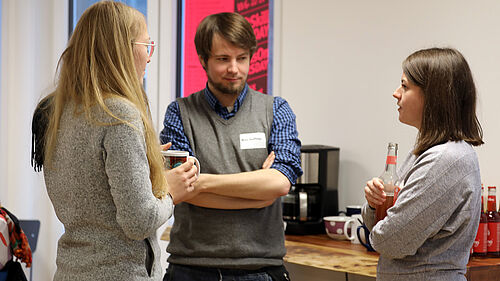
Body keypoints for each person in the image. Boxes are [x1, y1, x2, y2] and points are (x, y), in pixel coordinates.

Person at [31, 2, 198, 280]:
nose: (149, 56)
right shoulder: (119, 114)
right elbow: (139, 221)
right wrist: (171, 192)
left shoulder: (57, 110)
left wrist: (139, 160)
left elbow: (90, 179)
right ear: (123, 48)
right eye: (147, 45)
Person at [160, 12, 302, 281]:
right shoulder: (179, 113)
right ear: (203, 60)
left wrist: (200, 182)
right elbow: (180, 189)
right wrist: (259, 193)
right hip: (191, 269)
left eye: (242, 58)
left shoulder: (277, 111)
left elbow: (279, 184)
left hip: (261, 270)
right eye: (223, 59)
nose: (234, 69)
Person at [362, 48, 484, 280]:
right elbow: (381, 228)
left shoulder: (445, 159)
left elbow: (390, 242)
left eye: (405, 86)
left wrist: (382, 225)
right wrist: (373, 204)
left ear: (434, 95)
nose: (396, 93)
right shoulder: (426, 152)